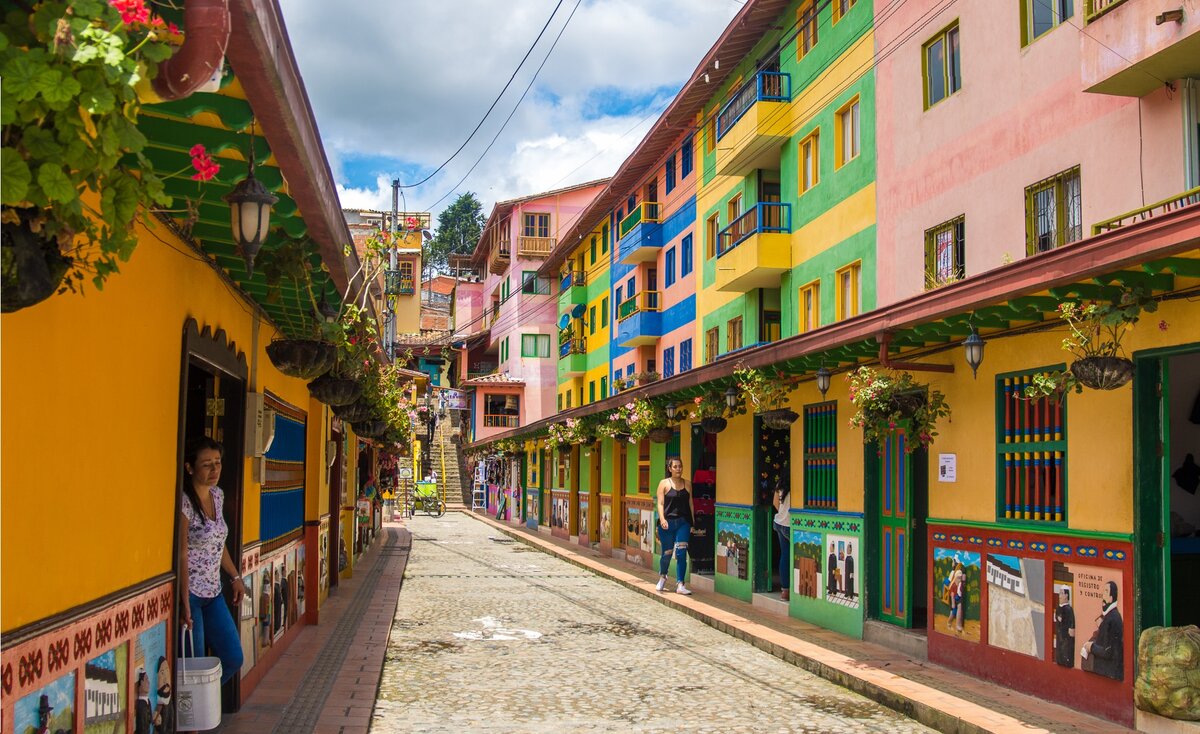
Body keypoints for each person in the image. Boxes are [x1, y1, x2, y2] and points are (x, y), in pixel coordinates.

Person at [179, 437, 244, 685]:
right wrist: (184, 601)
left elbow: (218, 542)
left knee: (232, 657)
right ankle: (192, 722)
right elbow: (182, 553)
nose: (215, 469)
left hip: (214, 592)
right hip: (192, 595)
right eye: (207, 464)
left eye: (217, 462)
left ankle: (206, 706)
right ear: (190, 467)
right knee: (193, 666)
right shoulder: (184, 503)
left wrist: (235, 576)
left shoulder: (217, 495)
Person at [655, 457, 695, 595]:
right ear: (669, 468)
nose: (678, 469)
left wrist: (692, 522)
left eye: (680, 466)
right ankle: (663, 575)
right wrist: (662, 519)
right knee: (667, 554)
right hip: (667, 524)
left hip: (683, 523)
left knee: (682, 551)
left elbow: (691, 504)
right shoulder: (664, 483)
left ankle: (680, 584)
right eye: (675, 466)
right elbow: (660, 503)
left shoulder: (688, 484)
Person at [1085, 581, 1124, 680]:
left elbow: (1107, 652)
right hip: (1104, 673)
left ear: (1111, 598)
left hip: (1109, 674)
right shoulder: (1109, 616)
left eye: (1106, 591)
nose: (1103, 595)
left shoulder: (1113, 618)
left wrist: (1091, 647)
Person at [771, 480, 791, 601]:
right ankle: (791, 590)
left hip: (779, 522)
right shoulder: (796, 482)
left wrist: (782, 513)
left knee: (784, 555)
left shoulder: (780, 484)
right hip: (789, 524)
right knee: (790, 556)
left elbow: (774, 503)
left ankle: (785, 591)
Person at [1054, 587, 1076, 667]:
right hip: (1060, 635)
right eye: (1059, 593)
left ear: (1066, 595)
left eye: (1062, 593)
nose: (1060, 596)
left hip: (1066, 637)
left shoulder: (1069, 609)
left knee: (1066, 652)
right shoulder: (1058, 608)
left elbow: (1071, 624)